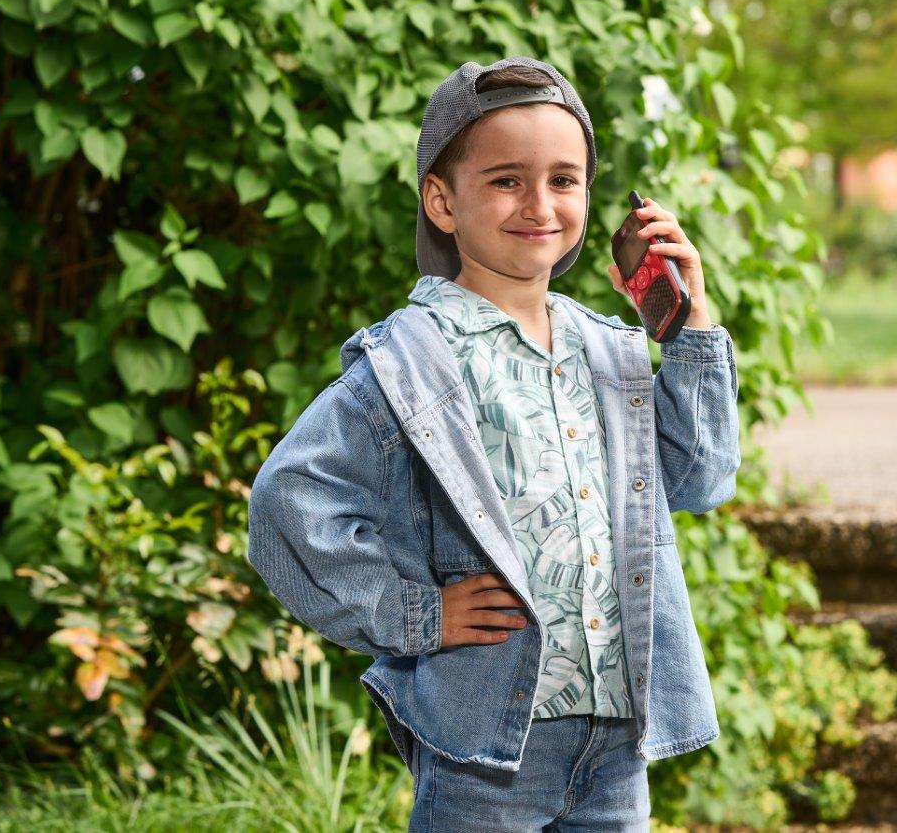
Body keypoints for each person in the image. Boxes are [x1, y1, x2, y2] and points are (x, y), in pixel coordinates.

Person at [247, 56, 740, 830]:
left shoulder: (607, 351)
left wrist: (691, 327)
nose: (540, 204)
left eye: (564, 179)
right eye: (507, 180)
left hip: (617, 739)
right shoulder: (411, 360)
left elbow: (700, 478)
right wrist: (418, 615)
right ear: (442, 202)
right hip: (486, 753)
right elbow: (289, 502)